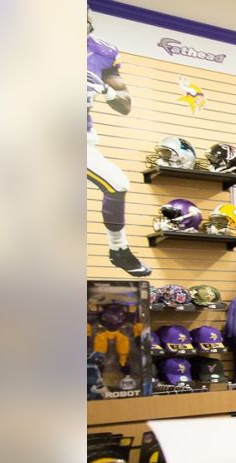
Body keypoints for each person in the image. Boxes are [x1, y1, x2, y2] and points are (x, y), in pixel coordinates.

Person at [87, 11, 150, 277]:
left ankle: (118, 250)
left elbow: (125, 105)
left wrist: (105, 90)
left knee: (118, 182)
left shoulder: (102, 51)